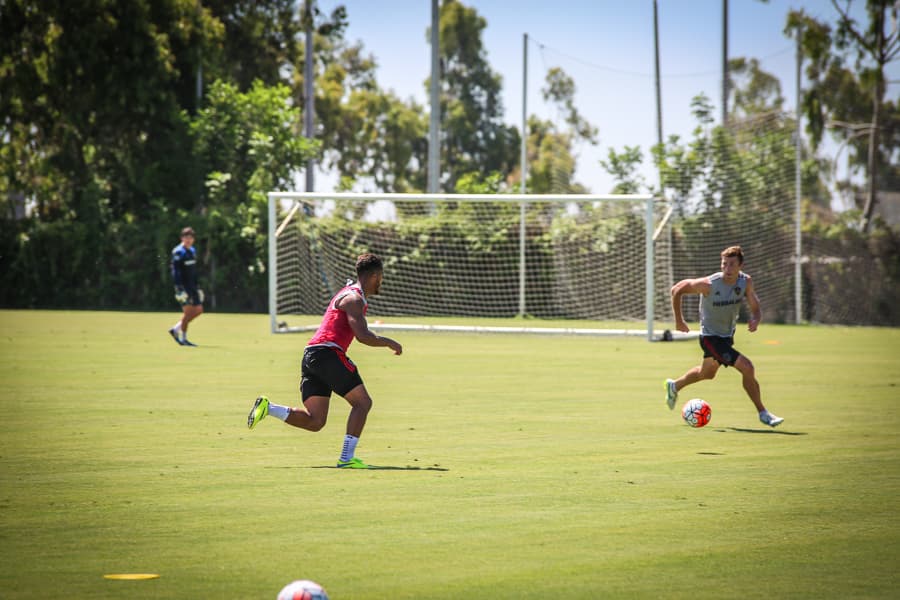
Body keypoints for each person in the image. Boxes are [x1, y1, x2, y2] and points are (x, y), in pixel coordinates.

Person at [247, 253, 403, 469]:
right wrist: (389, 342)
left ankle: (268, 408)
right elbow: (362, 335)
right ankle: (346, 459)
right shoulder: (354, 298)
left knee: (316, 421)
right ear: (376, 276)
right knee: (363, 403)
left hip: (311, 355)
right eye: (382, 277)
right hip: (327, 354)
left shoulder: (350, 293)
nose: (382, 282)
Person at [664, 245, 784, 428]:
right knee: (747, 367)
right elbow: (676, 290)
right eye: (724, 264)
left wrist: (756, 318)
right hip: (710, 337)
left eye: (732, 265)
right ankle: (763, 413)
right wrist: (679, 320)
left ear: (740, 266)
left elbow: (755, 305)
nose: (727, 269)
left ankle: (675, 386)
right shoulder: (709, 284)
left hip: (726, 336)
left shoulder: (745, 282)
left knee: (707, 374)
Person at [168, 226, 204, 347]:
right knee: (188, 312)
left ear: (193, 239)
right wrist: (179, 288)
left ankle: (175, 329)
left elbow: (193, 271)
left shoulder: (192, 251)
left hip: (192, 286)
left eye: (190, 237)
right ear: (181, 238)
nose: (188, 240)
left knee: (199, 310)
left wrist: (197, 286)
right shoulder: (178, 251)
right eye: (186, 237)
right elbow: (175, 271)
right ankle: (184, 339)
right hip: (183, 287)